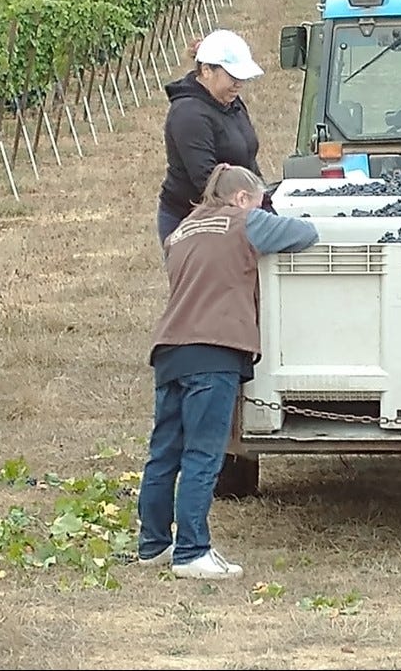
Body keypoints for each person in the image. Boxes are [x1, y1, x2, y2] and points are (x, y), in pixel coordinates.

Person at [137, 163, 319, 578]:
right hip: (214, 350)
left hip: (170, 349)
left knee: (165, 452)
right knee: (203, 452)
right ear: (241, 199)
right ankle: (192, 553)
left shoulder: (181, 231)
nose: (261, 210)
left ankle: (154, 545)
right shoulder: (244, 222)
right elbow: (305, 234)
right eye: (258, 202)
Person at [157, 29, 264, 248]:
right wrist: (253, 210)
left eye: (242, 78)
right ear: (206, 70)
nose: (239, 84)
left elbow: (247, 158)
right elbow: (206, 181)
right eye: (233, 77)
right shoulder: (188, 115)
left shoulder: (232, 103)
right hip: (193, 222)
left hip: (234, 213)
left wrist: (264, 200)